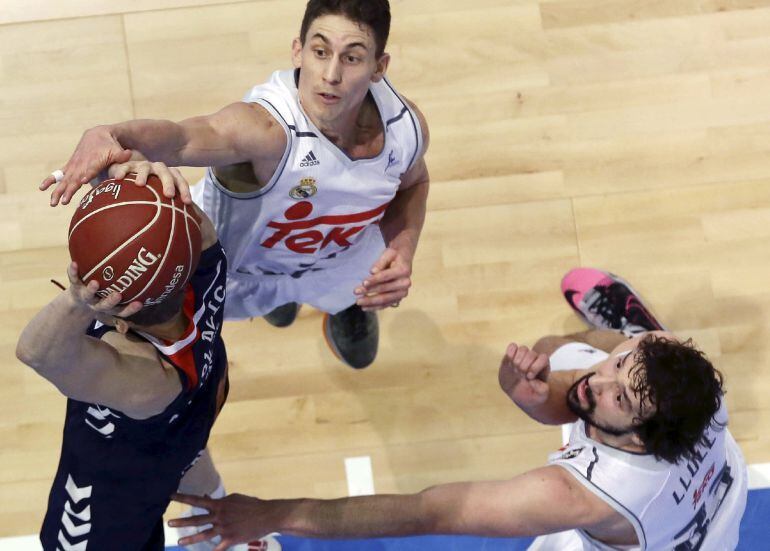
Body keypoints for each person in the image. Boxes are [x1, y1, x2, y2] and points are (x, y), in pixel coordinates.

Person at [166, 268, 748, 551]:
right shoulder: (696, 390)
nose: (600, 379)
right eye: (621, 361)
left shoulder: (574, 496)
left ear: (639, 441)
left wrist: (272, 513)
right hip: (713, 500)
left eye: (620, 396)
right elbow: (580, 374)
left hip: (649, 525)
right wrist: (536, 394)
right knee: (554, 352)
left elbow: (429, 512)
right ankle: (628, 338)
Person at [39, 0, 430, 369]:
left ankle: (344, 307)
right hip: (244, 271)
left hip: (340, 261)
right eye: (320, 51)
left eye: (352, 57)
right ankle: (278, 302)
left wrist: (403, 245)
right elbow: (186, 137)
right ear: (298, 51)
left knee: (350, 287)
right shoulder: (265, 130)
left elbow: (414, 182)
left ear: (379, 67)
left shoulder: (406, 127)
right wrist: (113, 134)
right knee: (257, 306)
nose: (330, 75)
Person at [15, 167, 244, 550]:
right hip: (198, 400)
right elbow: (165, 205)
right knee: (190, 455)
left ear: (119, 324)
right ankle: (216, 534)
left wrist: (76, 299)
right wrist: (130, 172)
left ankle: (213, 533)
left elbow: (36, 354)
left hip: (111, 499)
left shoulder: (144, 380)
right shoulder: (206, 255)